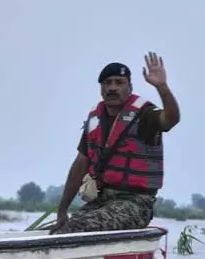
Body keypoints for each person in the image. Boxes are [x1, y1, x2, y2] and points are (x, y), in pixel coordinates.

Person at [53, 54, 181, 234]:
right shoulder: (95, 121)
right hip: (102, 200)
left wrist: (162, 87)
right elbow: (80, 164)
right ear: (101, 89)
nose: (112, 87)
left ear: (129, 88)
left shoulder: (145, 115)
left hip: (135, 203)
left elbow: (171, 119)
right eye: (107, 83)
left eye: (119, 83)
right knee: (60, 230)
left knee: (77, 228)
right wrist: (62, 210)